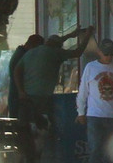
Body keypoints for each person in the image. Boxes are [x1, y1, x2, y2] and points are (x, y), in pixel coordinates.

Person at [14, 25, 94, 162]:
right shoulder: (55, 53)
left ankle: (24, 157)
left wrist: (21, 91)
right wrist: (88, 35)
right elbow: (78, 52)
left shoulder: (31, 52)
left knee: (24, 130)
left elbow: (17, 71)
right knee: (45, 130)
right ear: (58, 47)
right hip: (42, 99)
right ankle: (40, 157)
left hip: (26, 98)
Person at [75, 39, 113, 163]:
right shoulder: (90, 67)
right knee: (96, 148)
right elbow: (83, 91)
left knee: (111, 151)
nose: (109, 57)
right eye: (106, 54)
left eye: (111, 54)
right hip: (94, 115)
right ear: (99, 52)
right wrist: (81, 112)